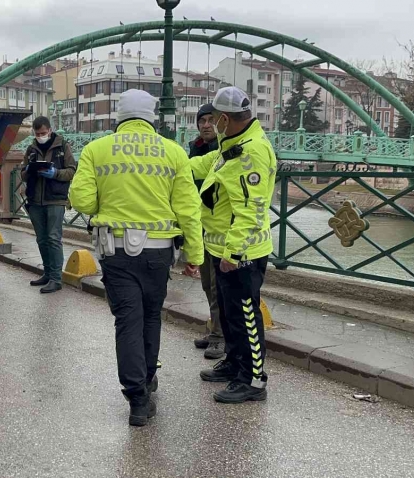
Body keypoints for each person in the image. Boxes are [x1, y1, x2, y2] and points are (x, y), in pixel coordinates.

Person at [70, 89, 204, 426]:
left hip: (115, 249)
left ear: (119, 116)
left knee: (127, 319)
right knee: (151, 316)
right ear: (151, 117)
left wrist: (107, 202)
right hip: (159, 251)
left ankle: (137, 399)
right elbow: (188, 209)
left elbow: (82, 201)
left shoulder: (96, 150)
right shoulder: (173, 153)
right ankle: (148, 376)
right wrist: (195, 255)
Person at [188, 87, 277, 404]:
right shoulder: (232, 145)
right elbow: (205, 164)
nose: (212, 125)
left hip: (241, 253)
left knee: (245, 317)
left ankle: (253, 380)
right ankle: (233, 363)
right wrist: (172, 164)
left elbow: (252, 210)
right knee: (227, 315)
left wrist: (234, 254)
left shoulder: (250, 152)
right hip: (221, 246)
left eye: (215, 119)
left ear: (225, 119)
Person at [20, 117, 77, 293]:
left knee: (53, 238)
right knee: (42, 239)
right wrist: (28, 170)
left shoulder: (62, 146)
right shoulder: (31, 149)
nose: (40, 136)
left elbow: (72, 171)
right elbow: (22, 173)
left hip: (55, 199)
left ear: (50, 131)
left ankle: (56, 278)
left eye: (43, 133)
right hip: (36, 200)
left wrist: (55, 173)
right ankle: (47, 273)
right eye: (37, 134)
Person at [188, 103, 225, 361]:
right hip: (201, 224)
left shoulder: (224, 150)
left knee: (217, 285)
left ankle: (220, 337)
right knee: (206, 283)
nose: (206, 125)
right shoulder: (195, 149)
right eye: (202, 120)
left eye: (211, 120)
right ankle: (215, 328)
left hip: (221, 229)